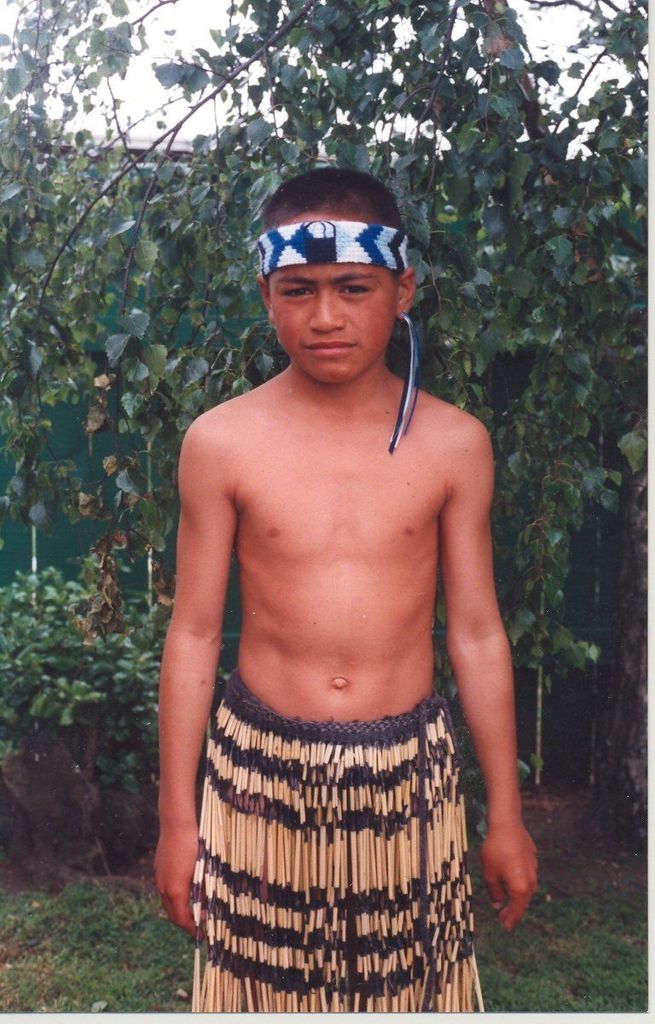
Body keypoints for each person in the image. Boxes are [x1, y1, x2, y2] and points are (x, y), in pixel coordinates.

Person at [154, 167, 538, 1013]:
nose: (325, 317)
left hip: (407, 780)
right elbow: (192, 635)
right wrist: (178, 821)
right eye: (299, 290)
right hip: (259, 775)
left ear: (403, 290)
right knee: (264, 994)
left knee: (406, 995)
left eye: (353, 288)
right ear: (266, 296)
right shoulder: (221, 442)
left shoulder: (453, 443)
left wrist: (505, 815)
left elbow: (476, 633)